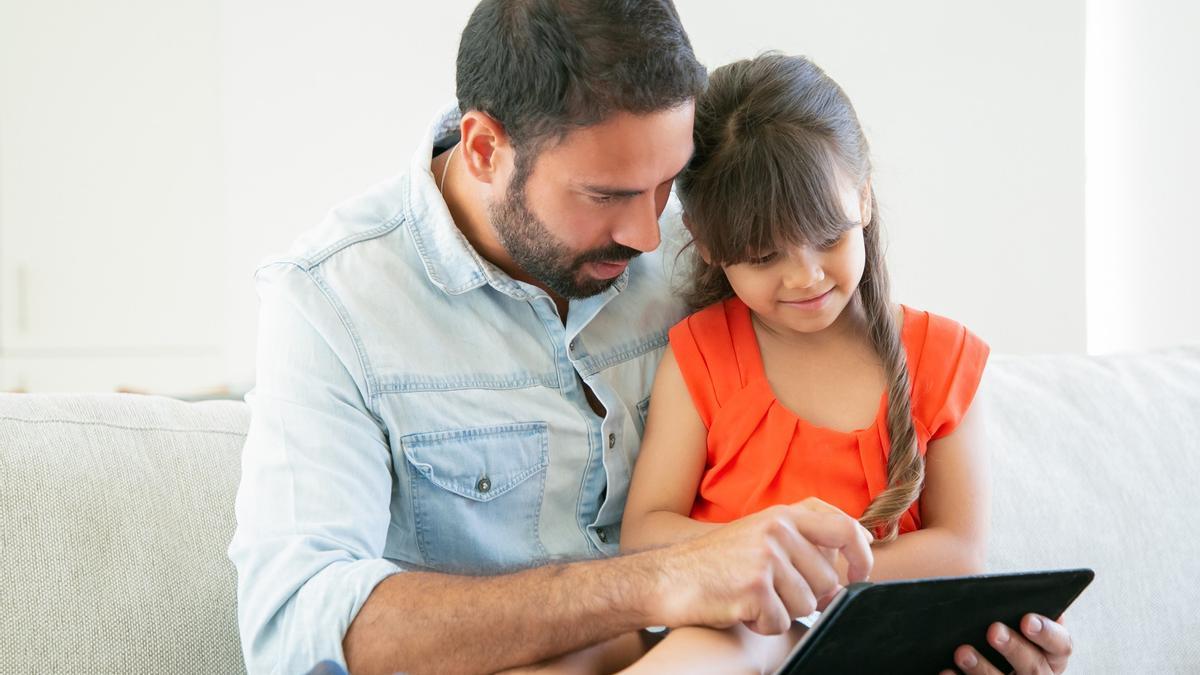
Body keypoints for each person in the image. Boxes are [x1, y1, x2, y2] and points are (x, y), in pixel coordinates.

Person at [227, 2, 1076, 674]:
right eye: (605, 194)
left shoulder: (725, 251)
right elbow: (299, 622)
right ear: (486, 149)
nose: (648, 236)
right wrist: (666, 577)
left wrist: (937, 638)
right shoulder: (330, 306)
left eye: (669, 183)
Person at [613, 51, 1017, 673]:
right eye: (765, 256)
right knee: (731, 642)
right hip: (738, 629)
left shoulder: (941, 356)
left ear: (863, 199)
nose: (804, 277)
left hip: (875, 643)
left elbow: (961, 551)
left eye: (827, 237)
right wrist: (758, 561)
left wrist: (816, 580)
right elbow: (644, 532)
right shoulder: (704, 353)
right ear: (710, 242)